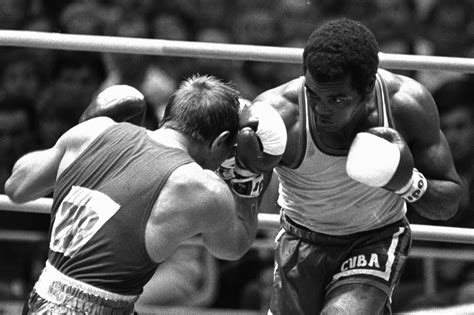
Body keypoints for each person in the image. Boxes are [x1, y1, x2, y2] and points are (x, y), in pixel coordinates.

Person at [240, 18, 463, 314]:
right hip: (300, 240)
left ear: (369, 87)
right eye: (313, 93)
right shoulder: (281, 115)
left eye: (337, 98)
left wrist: (408, 183)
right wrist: (243, 175)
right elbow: (235, 235)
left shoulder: (406, 105)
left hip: (375, 239)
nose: (321, 109)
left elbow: (449, 202)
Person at [4, 75, 262, 314]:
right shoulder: (203, 186)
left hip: (40, 298)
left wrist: (82, 131)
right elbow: (232, 247)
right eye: (230, 151)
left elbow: (17, 187)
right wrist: (250, 175)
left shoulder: (93, 132)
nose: (226, 159)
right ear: (220, 141)